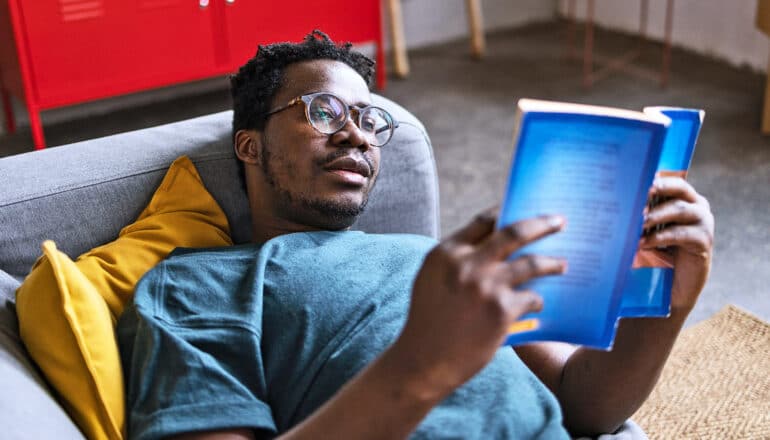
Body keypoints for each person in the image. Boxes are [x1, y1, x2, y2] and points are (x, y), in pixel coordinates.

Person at [117, 31, 715, 440]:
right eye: (324, 111)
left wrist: (667, 305)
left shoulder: (433, 260)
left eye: (371, 120)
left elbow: (586, 402)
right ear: (250, 144)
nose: (357, 136)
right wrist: (422, 366)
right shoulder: (196, 284)